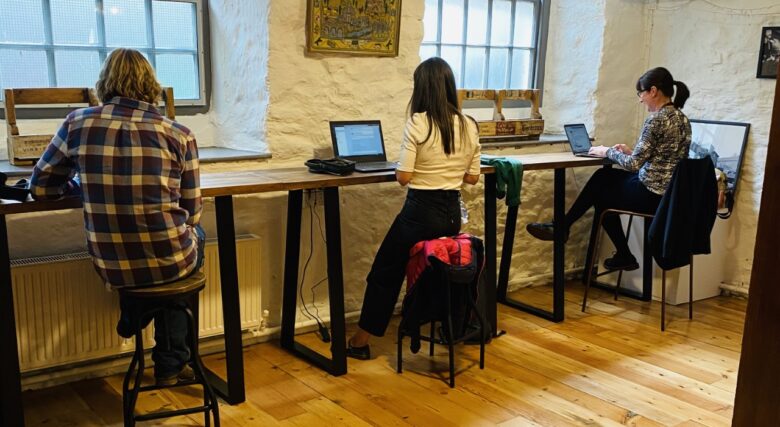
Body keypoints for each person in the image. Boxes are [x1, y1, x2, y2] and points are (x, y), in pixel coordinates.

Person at [29, 48, 204, 386]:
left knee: (151, 255)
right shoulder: (179, 133)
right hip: (170, 259)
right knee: (194, 242)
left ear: (104, 83)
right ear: (151, 85)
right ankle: (171, 359)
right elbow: (193, 213)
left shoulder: (77, 122)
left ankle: (136, 310)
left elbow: (41, 188)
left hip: (112, 263)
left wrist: (85, 183)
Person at [346, 57, 482, 359]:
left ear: (422, 88)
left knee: (384, 273)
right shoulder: (469, 125)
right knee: (436, 269)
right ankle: (445, 326)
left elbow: (403, 178)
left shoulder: (419, 122)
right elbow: (472, 177)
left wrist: (415, 166)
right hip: (451, 216)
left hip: (420, 213)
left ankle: (360, 342)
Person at [527, 67, 691, 271]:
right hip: (668, 196)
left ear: (653, 91)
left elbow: (633, 165)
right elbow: (665, 159)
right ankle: (610, 248)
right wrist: (631, 152)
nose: (641, 100)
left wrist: (607, 152)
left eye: (641, 94)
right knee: (603, 181)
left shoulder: (656, 119)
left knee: (601, 183)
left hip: (650, 194)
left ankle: (563, 227)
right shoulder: (681, 118)